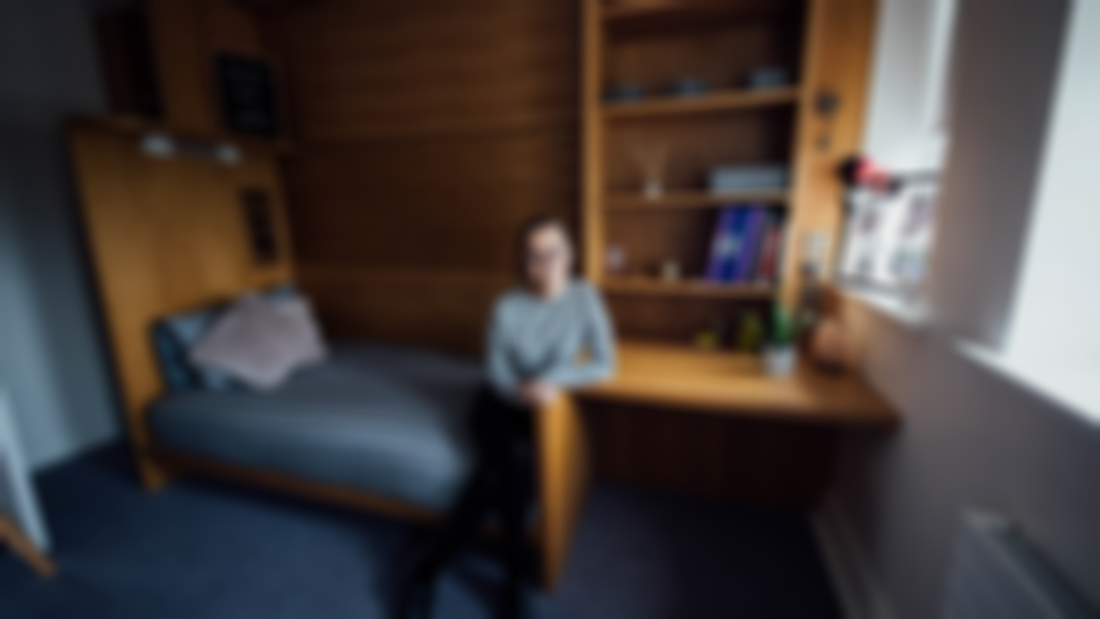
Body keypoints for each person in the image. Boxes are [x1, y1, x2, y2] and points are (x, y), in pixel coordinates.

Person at [398, 214, 616, 619]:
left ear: (571, 254)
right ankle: (508, 576)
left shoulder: (586, 297)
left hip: (545, 405)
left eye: (553, 252)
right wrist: (522, 391)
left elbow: (606, 363)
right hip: (500, 400)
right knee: (509, 465)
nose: (545, 264)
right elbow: (495, 371)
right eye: (534, 256)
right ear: (523, 261)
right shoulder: (506, 306)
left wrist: (553, 381)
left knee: (500, 473)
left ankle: (429, 571)